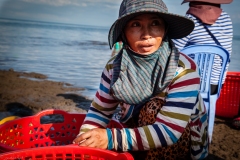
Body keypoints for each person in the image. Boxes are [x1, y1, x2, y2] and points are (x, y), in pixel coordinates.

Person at [73, 0, 209, 159]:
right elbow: (100, 111)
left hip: (179, 144)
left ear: (164, 30)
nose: (147, 34)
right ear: (124, 32)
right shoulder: (114, 68)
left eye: (155, 23)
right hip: (132, 136)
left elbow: (169, 131)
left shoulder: (184, 69)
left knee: (153, 106)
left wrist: (109, 138)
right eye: (136, 24)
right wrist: (83, 142)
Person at [173, 0, 233, 95]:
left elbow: (173, 51)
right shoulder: (226, 19)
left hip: (189, 83)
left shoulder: (190, 20)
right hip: (215, 85)